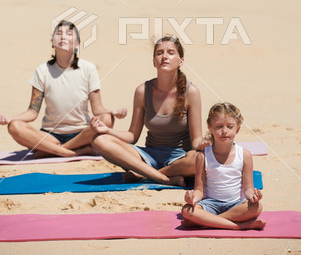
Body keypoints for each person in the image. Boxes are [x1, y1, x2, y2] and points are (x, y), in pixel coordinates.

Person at [0, 20, 127, 157]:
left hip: (81, 133)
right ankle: (72, 153)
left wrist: (112, 112)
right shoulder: (42, 71)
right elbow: (32, 111)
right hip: (50, 135)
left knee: (107, 119)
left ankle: (55, 151)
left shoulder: (88, 69)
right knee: (14, 126)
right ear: (52, 43)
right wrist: (11, 118)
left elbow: (97, 109)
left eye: (69, 33)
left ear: (77, 44)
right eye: (58, 33)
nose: (63, 37)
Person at [90, 36, 203, 186]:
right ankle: (162, 178)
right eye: (159, 53)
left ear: (181, 61)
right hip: (147, 156)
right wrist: (107, 130)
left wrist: (207, 142)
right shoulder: (142, 91)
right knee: (99, 140)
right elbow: (132, 136)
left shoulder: (191, 92)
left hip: (179, 159)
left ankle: (146, 175)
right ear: (154, 61)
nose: (164, 57)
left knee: (198, 160)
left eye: (170, 52)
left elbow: (196, 141)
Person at [181, 102, 266, 230]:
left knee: (257, 207)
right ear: (210, 128)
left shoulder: (245, 155)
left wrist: (253, 196)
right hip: (210, 204)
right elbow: (199, 190)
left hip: (236, 204)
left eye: (230, 126)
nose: (224, 131)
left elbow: (248, 189)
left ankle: (206, 221)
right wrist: (192, 198)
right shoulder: (202, 156)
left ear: (237, 129)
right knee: (187, 210)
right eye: (219, 126)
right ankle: (239, 226)